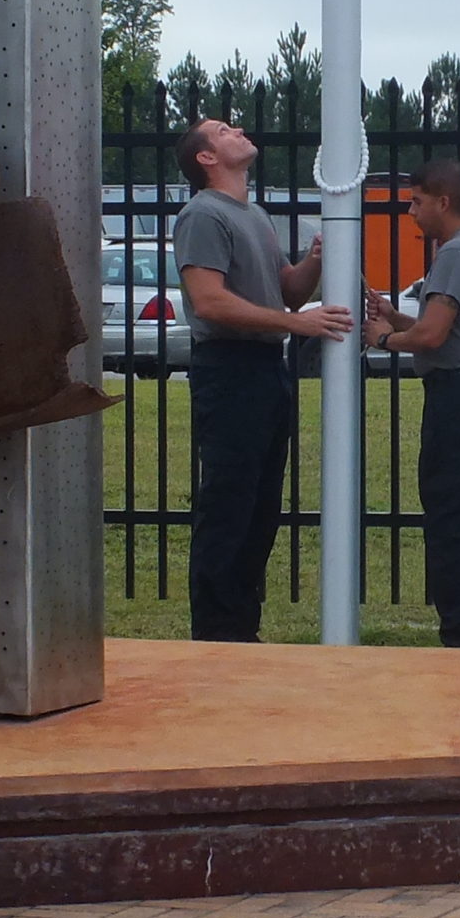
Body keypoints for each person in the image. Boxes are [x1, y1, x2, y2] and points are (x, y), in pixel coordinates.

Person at [172, 117, 351, 642]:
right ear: (206, 158)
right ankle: (216, 635)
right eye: (223, 130)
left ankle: (241, 630)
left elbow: (285, 292)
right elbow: (209, 300)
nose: (238, 130)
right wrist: (297, 325)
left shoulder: (254, 214)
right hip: (228, 371)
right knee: (229, 505)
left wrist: (313, 264)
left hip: (266, 371)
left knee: (260, 506)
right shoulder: (202, 214)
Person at [364, 160, 460, 660]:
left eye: (417, 202)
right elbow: (445, 326)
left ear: (443, 202)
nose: (411, 212)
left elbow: (431, 336)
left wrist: (383, 338)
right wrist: (393, 314)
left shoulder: (455, 253)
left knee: (454, 522)